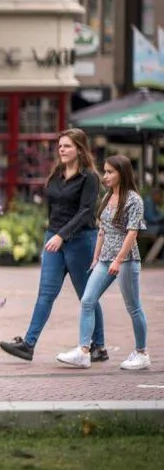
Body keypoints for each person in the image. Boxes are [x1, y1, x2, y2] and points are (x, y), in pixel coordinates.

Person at [0, 129, 107, 362]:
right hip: (54, 240)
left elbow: (86, 211)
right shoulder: (57, 174)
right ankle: (28, 344)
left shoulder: (90, 177)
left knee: (87, 296)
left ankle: (99, 346)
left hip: (80, 241)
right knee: (45, 293)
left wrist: (62, 235)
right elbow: (54, 209)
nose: (61, 149)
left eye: (67, 146)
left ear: (79, 149)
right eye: (60, 146)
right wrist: (52, 234)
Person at [57, 155, 151, 371]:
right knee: (87, 300)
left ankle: (142, 353)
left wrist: (118, 260)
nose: (105, 176)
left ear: (122, 173)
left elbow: (132, 233)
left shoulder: (134, 199)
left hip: (126, 259)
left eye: (110, 172)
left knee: (133, 307)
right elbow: (102, 230)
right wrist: (96, 257)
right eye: (105, 171)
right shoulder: (108, 196)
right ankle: (83, 351)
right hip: (105, 259)